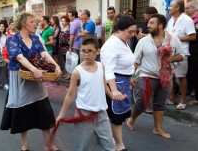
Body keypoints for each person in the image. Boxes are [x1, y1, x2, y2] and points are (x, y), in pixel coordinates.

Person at [0, 12, 62, 151]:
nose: (36, 24)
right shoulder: (12, 39)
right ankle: (24, 143)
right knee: (22, 111)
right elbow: (19, 57)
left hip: (35, 77)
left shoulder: (35, 38)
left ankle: (48, 144)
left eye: (35, 21)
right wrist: (34, 69)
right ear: (23, 24)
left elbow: (44, 54)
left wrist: (56, 66)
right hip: (20, 77)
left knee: (43, 111)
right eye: (32, 21)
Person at [127, 14, 184, 139]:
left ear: (160, 25)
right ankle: (132, 118)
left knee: (159, 104)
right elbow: (136, 61)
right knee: (142, 103)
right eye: (149, 23)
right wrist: (131, 76)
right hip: (146, 76)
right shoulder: (143, 41)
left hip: (165, 78)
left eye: (152, 23)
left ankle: (158, 129)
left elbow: (182, 55)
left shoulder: (173, 40)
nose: (148, 25)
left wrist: (172, 58)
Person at [56, 37, 117, 151]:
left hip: (101, 113)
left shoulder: (101, 66)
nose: (86, 54)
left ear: (97, 51)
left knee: (110, 146)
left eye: (90, 51)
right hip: (83, 114)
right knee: (81, 147)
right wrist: (61, 114)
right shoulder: (77, 72)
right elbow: (70, 95)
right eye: (83, 51)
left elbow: (104, 85)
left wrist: (113, 96)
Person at [100, 15, 136, 151]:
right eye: (130, 32)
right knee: (115, 116)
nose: (132, 35)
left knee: (114, 115)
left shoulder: (123, 41)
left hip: (124, 82)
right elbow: (108, 70)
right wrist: (114, 90)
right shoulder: (112, 45)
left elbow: (123, 64)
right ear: (119, 30)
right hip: (114, 82)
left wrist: (129, 77)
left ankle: (106, 137)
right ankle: (119, 145)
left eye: (134, 32)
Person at [166, 0, 196, 110]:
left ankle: (182, 100)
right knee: (171, 76)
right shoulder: (170, 20)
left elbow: (192, 36)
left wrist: (176, 39)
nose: (169, 7)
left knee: (181, 76)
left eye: (171, 5)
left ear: (177, 8)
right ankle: (172, 97)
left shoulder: (187, 20)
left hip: (181, 52)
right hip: (170, 52)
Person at [185, 1, 198, 105]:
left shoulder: (196, 20)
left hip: (196, 50)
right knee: (191, 73)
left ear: (194, 8)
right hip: (190, 50)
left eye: (188, 8)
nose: (186, 10)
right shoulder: (188, 20)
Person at [59, 15, 71, 79]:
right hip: (62, 47)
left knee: (68, 60)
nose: (62, 22)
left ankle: (69, 74)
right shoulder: (62, 28)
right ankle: (67, 73)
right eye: (62, 21)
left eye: (63, 21)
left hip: (67, 46)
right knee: (65, 60)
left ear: (67, 22)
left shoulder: (69, 28)